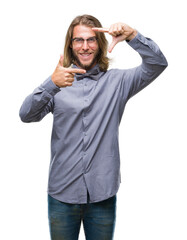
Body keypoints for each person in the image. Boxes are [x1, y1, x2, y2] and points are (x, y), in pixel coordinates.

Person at [19, 14, 168, 240]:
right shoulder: (58, 84)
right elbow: (26, 115)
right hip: (62, 194)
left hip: (102, 196)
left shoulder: (118, 82)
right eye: (79, 40)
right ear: (71, 44)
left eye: (91, 40)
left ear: (100, 44)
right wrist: (51, 83)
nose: (85, 46)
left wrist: (133, 36)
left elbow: (157, 64)